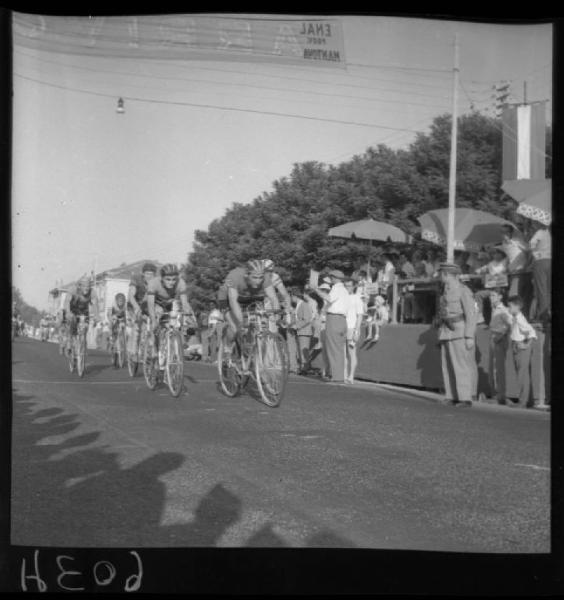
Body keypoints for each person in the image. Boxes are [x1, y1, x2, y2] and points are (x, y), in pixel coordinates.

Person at [436, 262, 477, 408]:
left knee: (461, 365)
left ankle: (465, 398)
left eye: (441, 273)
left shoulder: (463, 290)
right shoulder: (445, 291)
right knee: (447, 365)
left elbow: (471, 314)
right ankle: (451, 395)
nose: (439, 276)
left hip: (459, 331)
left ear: (447, 274)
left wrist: (469, 336)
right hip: (446, 330)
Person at [218, 260, 280, 355]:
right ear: (247, 275)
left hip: (249, 297)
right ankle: (227, 346)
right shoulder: (235, 276)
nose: (258, 281)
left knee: (254, 326)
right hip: (227, 298)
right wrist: (241, 322)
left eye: (260, 278)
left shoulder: (266, 277)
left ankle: (249, 352)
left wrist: (277, 314)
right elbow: (233, 301)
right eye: (254, 277)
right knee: (235, 327)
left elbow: (273, 297)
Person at [146, 264, 196, 368]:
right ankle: (155, 349)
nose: (171, 282)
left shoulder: (181, 283)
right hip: (156, 303)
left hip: (169, 302)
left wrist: (188, 316)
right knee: (157, 320)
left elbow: (184, 302)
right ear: (162, 278)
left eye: (174, 279)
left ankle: (177, 340)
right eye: (168, 279)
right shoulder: (153, 283)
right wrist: (154, 320)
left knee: (178, 316)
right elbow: (150, 304)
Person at [313, 269, 349, 383]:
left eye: (332, 277)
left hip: (334, 319)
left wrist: (317, 290)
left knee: (333, 348)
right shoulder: (344, 290)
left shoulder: (337, 288)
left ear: (335, 278)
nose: (331, 279)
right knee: (338, 349)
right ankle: (338, 376)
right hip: (342, 320)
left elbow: (329, 298)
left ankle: (337, 376)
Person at [507, 295, 538, 407]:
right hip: (516, 345)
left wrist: (526, 345)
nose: (508, 308)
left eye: (510, 306)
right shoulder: (514, 318)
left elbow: (531, 332)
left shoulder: (520, 318)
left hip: (521, 347)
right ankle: (526, 400)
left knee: (522, 374)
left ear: (517, 306)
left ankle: (523, 401)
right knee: (521, 373)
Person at [127, 262, 158, 361]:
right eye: (147, 274)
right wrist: (136, 308)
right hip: (134, 305)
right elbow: (131, 296)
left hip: (147, 306)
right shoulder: (136, 279)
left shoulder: (156, 282)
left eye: (152, 274)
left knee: (153, 325)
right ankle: (133, 351)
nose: (149, 276)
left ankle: (152, 350)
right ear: (143, 274)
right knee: (137, 325)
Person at [487, 288, 512, 405]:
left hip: (499, 340)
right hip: (494, 338)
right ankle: (497, 394)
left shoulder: (503, 310)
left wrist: (500, 335)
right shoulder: (494, 308)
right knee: (494, 367)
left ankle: (501, 395)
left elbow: (510, 324)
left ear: (500, 297)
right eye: (491, 295)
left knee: (499, 368)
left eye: (493, 295)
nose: (491, 297)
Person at [65, 276, 98, 354]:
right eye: (84, 286)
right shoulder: (72, 290)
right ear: (79, 286)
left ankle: (82, 343)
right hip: (73, 309)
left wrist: (96, 315)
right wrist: (68, 312)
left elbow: (95, 305)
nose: (86, 288)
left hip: (84, 310)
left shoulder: (92, 292)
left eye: (88, 286)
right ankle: (70, 341)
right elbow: (67, 302)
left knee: (85, 326)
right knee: (72, 324)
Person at [528, 223, 551, 323]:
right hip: (550, 261)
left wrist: (534, 253)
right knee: (549, 289)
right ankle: (548, 312)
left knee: (541, 289)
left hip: (541, 261)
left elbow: (531, 244)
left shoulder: (540, 232)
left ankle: (544, 316)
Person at [344, 278, 364, 384]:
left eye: (349, 285)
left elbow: (360, 315)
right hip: (342, 327)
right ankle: (344, 374)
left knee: (351, 353)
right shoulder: (342, 297)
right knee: (343, 353)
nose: (347, 288)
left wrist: (357, 330)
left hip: (352, 328)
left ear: (353, 286)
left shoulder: (357, 298)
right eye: (346, 285)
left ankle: (351, 376)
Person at [500, 224, 528, 298]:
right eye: (502, 232)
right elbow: (509, 256)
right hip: (513, 272)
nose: (504, 234)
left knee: (514, 296)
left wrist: (527, 265)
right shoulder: (504, 244)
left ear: (511, 232)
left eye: (507, 232)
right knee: (516, 296)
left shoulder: (517, 240)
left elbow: (529, 251)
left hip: (522, 272)